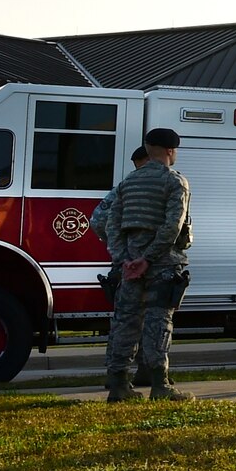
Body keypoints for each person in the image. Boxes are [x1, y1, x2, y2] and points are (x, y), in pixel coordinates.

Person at [102, 128, 193, 403]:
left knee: (125, 322)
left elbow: (111, 224)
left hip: (129, 266)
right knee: (157, 322)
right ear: (170, 151)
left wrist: (125, 259)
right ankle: (160, 385)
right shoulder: (174, 182)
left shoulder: (128, 182)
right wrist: (148, 259)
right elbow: (172, 226)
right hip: (161, 264)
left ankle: (118, 386)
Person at [93, 144, 149, 385]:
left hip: (125, 264)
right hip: (149, 263)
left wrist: (119, 248)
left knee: (123, 321)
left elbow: (98, 221)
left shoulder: (124, 187)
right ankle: (147, 372)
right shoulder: (160, 185)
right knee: (152, 321)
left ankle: (116, 375)